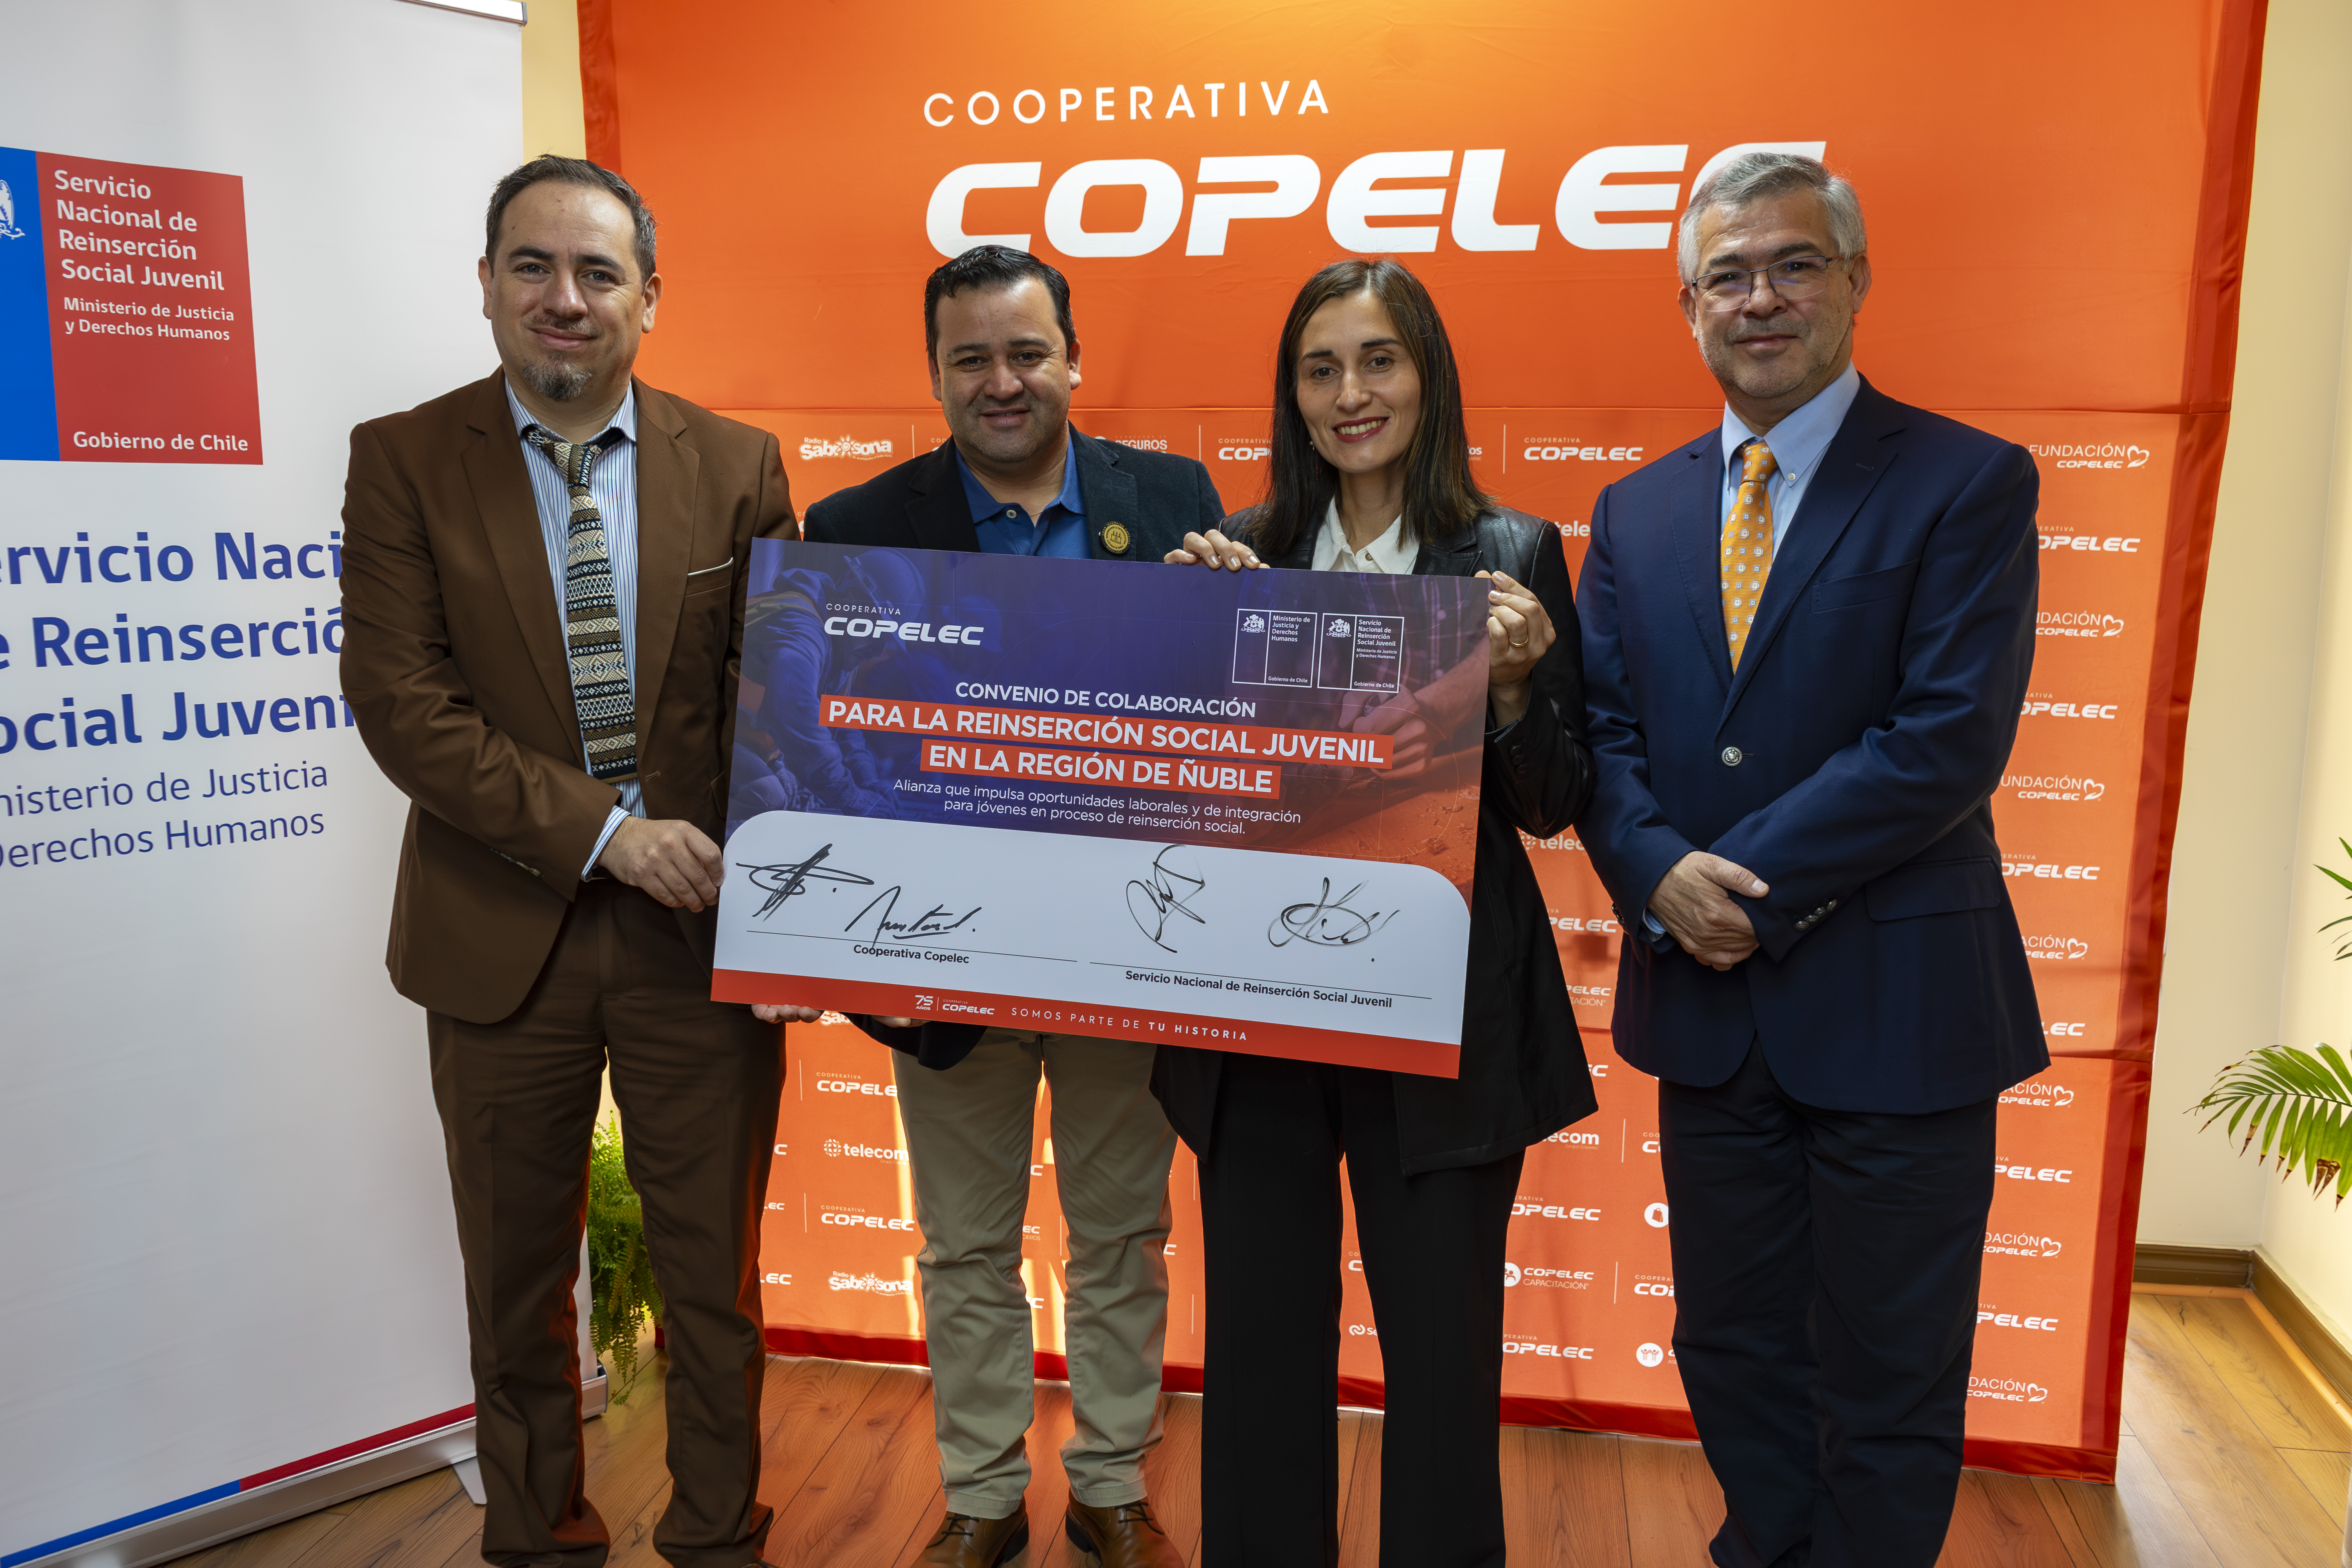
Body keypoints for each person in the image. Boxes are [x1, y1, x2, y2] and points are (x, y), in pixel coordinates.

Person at [1576, 152, 2045, 1567]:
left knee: (1892, 1369)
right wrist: (1654, 873)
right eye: (1727, 276)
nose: (1760, 299)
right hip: (1712, 1019)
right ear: (1689, 307)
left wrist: (1733, 889)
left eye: (1793, 265)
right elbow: (1600, 732)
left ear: (1855, 281)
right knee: (1732, 1345)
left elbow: (1947, 738)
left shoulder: (1966, 481)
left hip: (1901, 1015)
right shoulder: (1636, 511)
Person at [341, 156, 804, 1568]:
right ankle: (538, 1541)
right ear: (486, 286)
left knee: (712, 1283)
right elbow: (405, 709)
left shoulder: (738, 465)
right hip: (498, 935)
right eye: (533, 266)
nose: (566, 297)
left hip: (698, 934)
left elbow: (781, 711)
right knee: (515, 1288)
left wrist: (794, 922)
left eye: (599, 272)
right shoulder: (403, 459)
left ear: (649, 298)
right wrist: (610, 834)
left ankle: (717, 1538)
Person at [782, 244, 1223, 1568]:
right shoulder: (855, 527)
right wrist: (802, 927)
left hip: (1122, 944)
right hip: (943, 955)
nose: (1002, 381)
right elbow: (815, 738)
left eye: (1027, 352)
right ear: (934, 374)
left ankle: (1108, 1485)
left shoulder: (1174, 499)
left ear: (1073, 359)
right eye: (969, 358)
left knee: (1122, 1232)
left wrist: (1230, 617)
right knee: (966, 1243)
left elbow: (1224, 714)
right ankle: (980, 1495)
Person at [1153, 258, 1597, 1568]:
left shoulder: (1511, 553)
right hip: (1259, 1014)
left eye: (1378, 360)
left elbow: (1554, 803)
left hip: (1443, 1021)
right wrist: (1174, 642)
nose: (1351, 393)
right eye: (1321, 369)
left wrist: (1511, 693)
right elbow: (1180, 781)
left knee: (1444, 1364)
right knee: (1259, 1363)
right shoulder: (1243, 551)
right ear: (1292, 395)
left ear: (1427, 376)